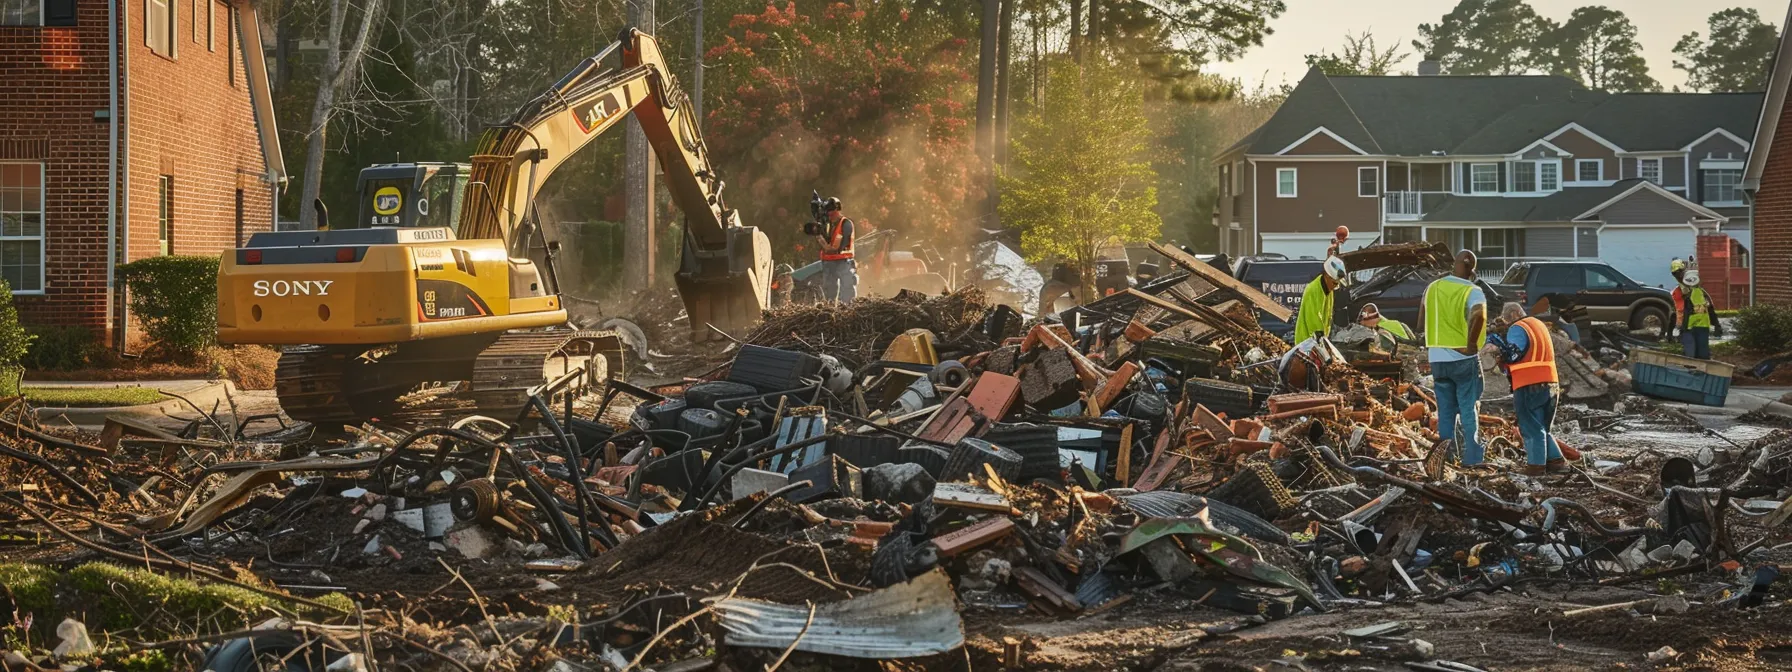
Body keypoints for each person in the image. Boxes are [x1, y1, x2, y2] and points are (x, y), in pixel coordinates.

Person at [1419, 250, 1489, 466]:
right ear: (1471, 269)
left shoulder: (1433, 287)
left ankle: (1446, 457)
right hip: (1462, 358)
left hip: (1437, 358)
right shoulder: (1472, 290)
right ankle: (1472, 458)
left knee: (1446, 410)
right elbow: (1479, 315)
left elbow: (1421, 318)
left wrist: (1426, 340)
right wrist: (1470, 346)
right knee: (1468, 407)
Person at [1488, 302, 1566, 475]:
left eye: (1508, 319)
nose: (1507, 324)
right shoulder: (1538, 324)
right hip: (1551, 383)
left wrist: (1498, 347)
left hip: (1529, 383)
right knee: (1543, 427)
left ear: (1515, 313)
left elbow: (1514, 353)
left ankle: (1535, 467)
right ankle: (1557, 462)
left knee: (1530, 426)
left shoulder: (1518, 328)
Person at [1294, 256, 1348, 344]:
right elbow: (1314, 321)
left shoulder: (1328, 289)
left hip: (1318, 341)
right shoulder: (1313, 290)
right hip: (1306, 343)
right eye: (1334, 283)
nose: (1335, 286)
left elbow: (1328, 317)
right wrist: (1321, 342)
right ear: (1326, 275)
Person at [816, 197, 857, 303]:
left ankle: (848, 310)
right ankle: (830, 310)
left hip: (843, 261)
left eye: (831, 210)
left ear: (837, 209)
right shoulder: (827, 225)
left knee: (847, 289)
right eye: (828, 211)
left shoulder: (845, 223)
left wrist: (831, 247)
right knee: (829, 292)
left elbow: (839, 246)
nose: (829, 213)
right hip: (829, 262)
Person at [1679, 270, 1723, 359]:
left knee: (1691, 354)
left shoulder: (1688, 296)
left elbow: (1686, 313)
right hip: (1703, 326)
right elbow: (1711, 310)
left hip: (1691, 327)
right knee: (1702, 354)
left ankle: (1693, 370)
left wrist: (1683, 329)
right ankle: (1702, 370)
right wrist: (1717, 325)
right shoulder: (1704, 294)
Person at [1666, 258, 1688, 343]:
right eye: (1674, 274)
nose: (1677, 276)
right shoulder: (1681, 276)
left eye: (1677, 274)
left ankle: (1677, 336)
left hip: (1685, 299)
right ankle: (1671, 336)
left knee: (1683, 317)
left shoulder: (1686, 277)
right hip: (1681, 299)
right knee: (1675, 316)